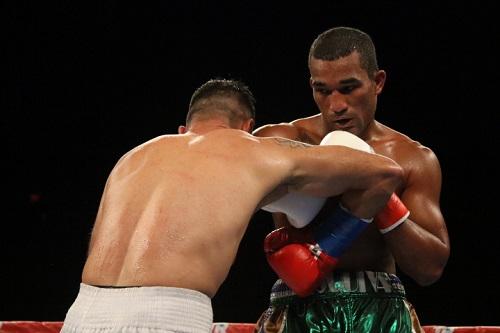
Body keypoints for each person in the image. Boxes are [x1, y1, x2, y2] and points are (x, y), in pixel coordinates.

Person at [60, 78, 405, 333]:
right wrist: (324, 248)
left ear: (185, 127)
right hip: (166, 315)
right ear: (247, 127)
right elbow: (384, 171)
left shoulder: (134, 156)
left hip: (81, 311)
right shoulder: (251, 150)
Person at [254, 27, 450, 333]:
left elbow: (430, 268)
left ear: (378, 82)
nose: (336, 105)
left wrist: (380, 190)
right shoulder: (282, 141)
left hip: (381, 313)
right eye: (323, 90)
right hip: (297, 310)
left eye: (348, 88)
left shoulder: (411, 158)